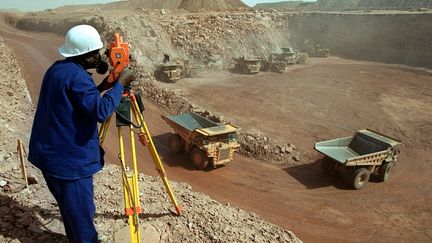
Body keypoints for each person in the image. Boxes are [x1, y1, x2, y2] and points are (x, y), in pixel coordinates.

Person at [28, 25, 135, 243]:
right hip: (69, 165)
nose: (98, 57)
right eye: (94, 54)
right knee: (81, 217)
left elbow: (80, 101)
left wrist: (107, 84)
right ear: (82, 55)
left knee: (70, 210)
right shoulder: (78, 78)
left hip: (49, 155)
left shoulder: (58, 69)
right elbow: (101, 111)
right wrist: (120, 85)